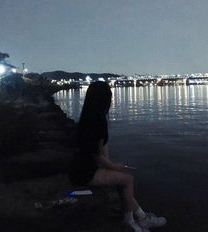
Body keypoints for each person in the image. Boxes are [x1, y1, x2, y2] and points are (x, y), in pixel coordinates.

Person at [69, 81, 166, 232]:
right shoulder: (98, 121)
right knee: (128, 179)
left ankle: (141, 217)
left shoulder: (88, 118)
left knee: (121, 178)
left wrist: (113, 167)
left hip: (79, 168)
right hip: (85, 173)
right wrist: (115, 167)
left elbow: (98, 152)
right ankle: (130, 222)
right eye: (110, 96)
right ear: (104, 99)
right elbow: (97, 155)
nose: (112, 99)